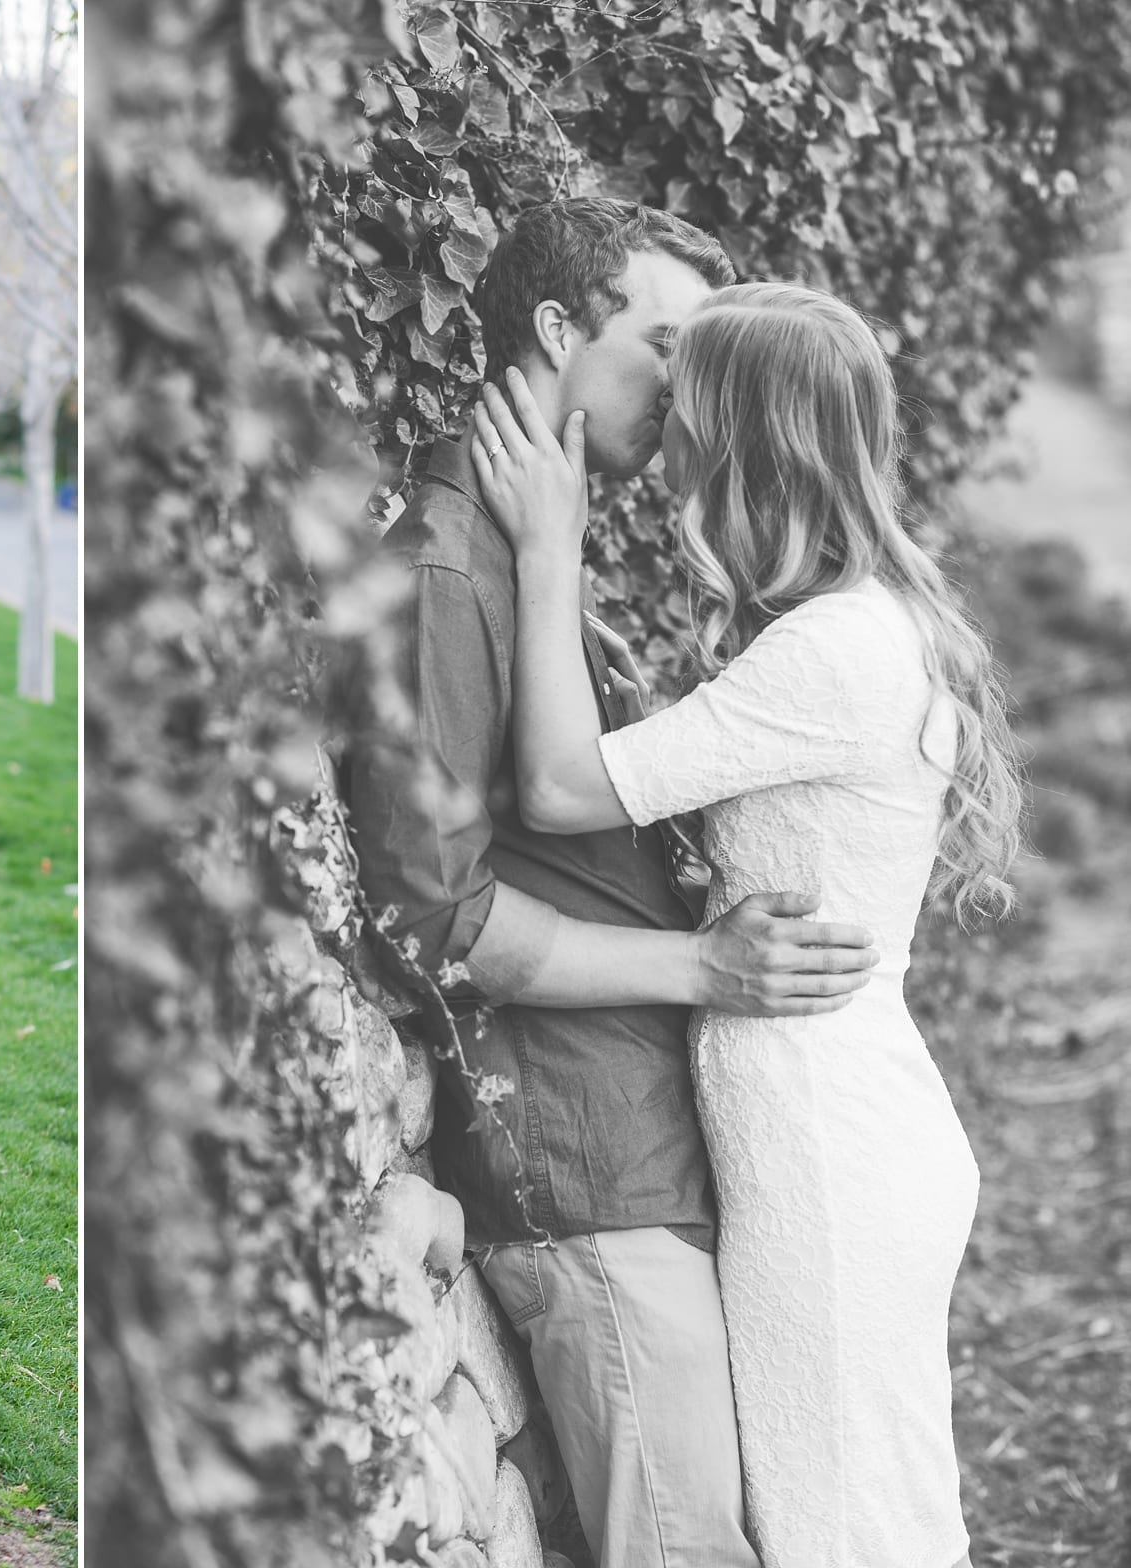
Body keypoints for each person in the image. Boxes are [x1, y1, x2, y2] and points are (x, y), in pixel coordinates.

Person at [339, 200, 884, 1567]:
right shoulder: (446, 574)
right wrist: (704, 966)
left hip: (640, 1142)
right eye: (666, 345)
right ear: (557, 333)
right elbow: (438, 917)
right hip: (585, 1165)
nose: (690, 390)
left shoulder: (533, 552)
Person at [470, 279, 1019, 1567]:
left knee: (843, 1532)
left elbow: (556, 786)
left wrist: (551, 551)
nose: (661, 443)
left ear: (744, 441)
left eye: (684, 411)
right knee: (866, 1513)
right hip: (833, 1126)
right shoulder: (855, 622)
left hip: (829, 1155)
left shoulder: (832, 650)